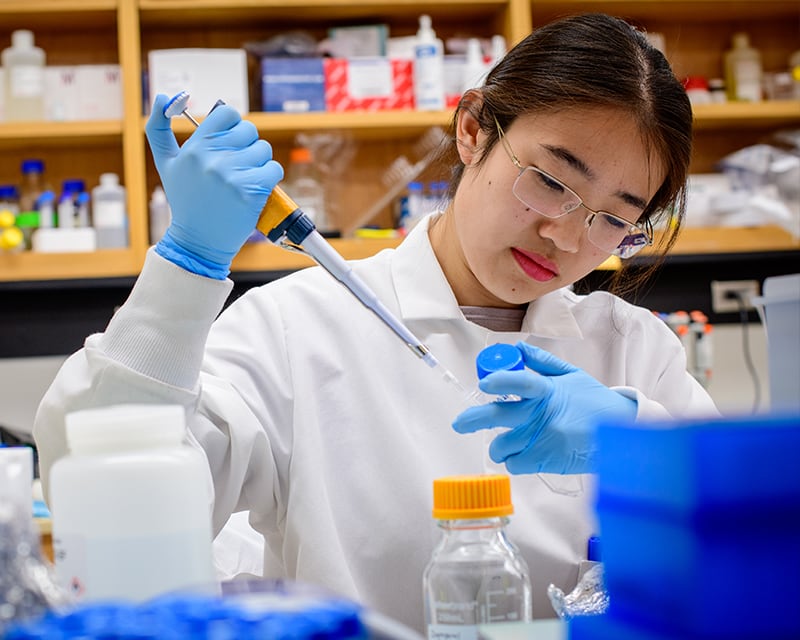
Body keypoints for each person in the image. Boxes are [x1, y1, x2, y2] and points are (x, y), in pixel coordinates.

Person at [34, 13, 718, 632]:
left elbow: (748, 540)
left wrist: (632, 437)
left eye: (614, 219)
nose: (566, 238)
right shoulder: (295, 329)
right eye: (551, 181)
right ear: (474, 129)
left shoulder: (634, 352)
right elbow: (92, 486)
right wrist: (185, 265)